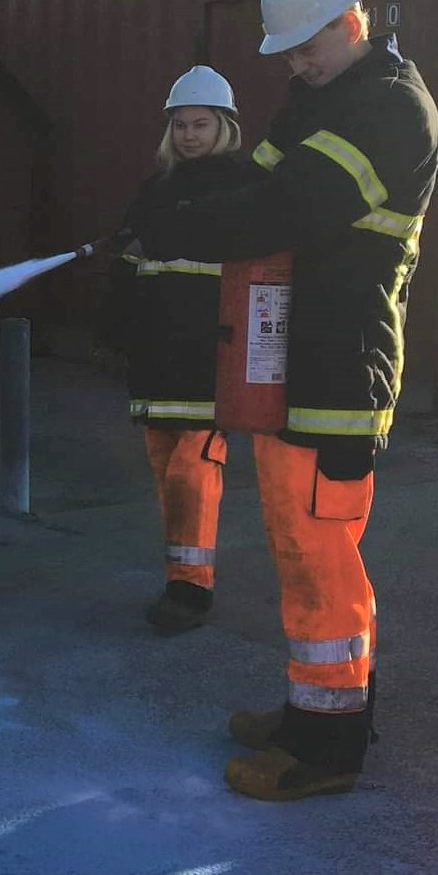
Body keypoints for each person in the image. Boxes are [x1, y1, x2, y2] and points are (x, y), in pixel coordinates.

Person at [136, 0, 438, 801]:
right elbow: (253, 178)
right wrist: (174, 206)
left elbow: (282, 208)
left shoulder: (387, 107)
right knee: (294, 545)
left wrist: (180, 229)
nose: (294, 63)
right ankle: (311, 709)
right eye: (288, 51)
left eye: (305, 45)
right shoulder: (321, 96)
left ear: (353, 20)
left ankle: (329, 747)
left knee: (320, 552)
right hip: (291, 358)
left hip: (339, 365)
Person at [103, 66, 264, 634]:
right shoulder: (155, 189)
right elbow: (128, 267)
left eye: (200, 124)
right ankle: (179, 573)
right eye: (181, 125)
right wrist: (117, 334)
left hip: (207, 356)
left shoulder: (243, 188)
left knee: (192, 472)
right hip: (155, 355)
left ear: (225, 127)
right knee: (163, 468)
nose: (190, 135)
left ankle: (191, 590)